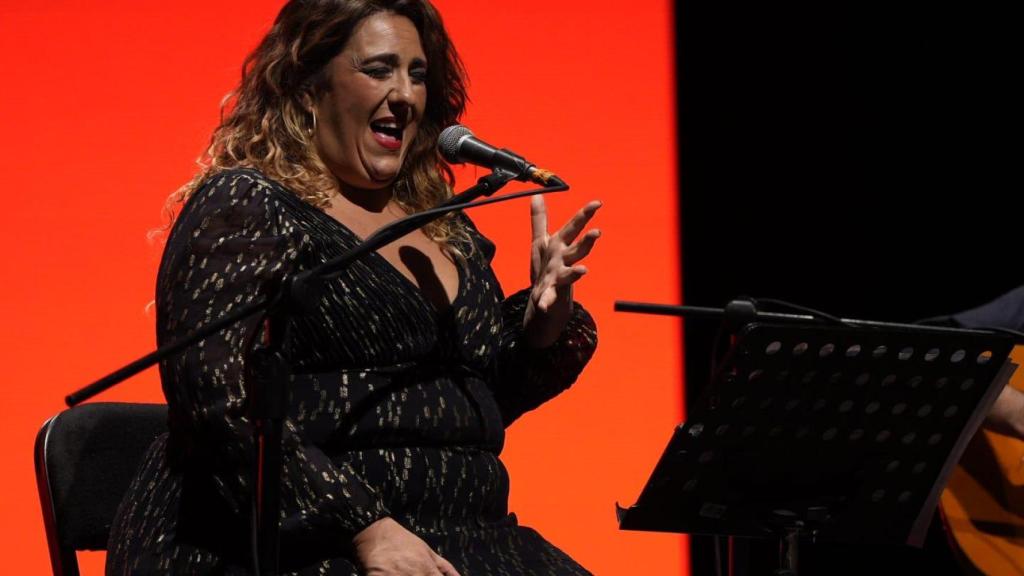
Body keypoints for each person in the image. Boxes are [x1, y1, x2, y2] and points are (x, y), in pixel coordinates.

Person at [106, 1, 601, 574]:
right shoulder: (251, 204)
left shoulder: (440, 221)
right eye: (379, 69)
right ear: (308, 86)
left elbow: (474, 403)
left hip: (466, 537)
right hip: (294, 545)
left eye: (417, 75)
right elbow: (216, 401)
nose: (406, 95)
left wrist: (543, 326)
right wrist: (361, 527)